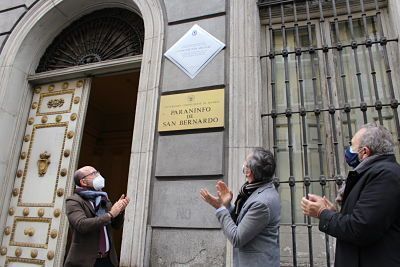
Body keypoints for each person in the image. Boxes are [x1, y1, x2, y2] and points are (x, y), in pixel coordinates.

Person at [301, 123, 400, 267]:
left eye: (352, 146)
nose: (348, 150)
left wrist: (322, 213)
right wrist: (332, 213)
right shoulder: (373, 172)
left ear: (365, 152)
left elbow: (360, 229)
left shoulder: (386, 175)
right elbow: (363, 218)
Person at [200, 147, 280, 267]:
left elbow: (237, 238)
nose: (243, 165)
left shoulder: (262, 203)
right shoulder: (259, 190)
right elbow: (244, 221)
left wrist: (220, 208)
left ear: (249, 172)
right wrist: (227, 205)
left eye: (245, 164)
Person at [64, 166, 130, 267]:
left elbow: (116, 225)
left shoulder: (103, 198)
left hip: (108, 260)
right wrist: (111, 214)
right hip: (85, 262)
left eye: (98, 172)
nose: (99, 175)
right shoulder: (74, 201)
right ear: (83, 182)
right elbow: (81, 225)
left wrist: (119, 211)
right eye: (94, 173)